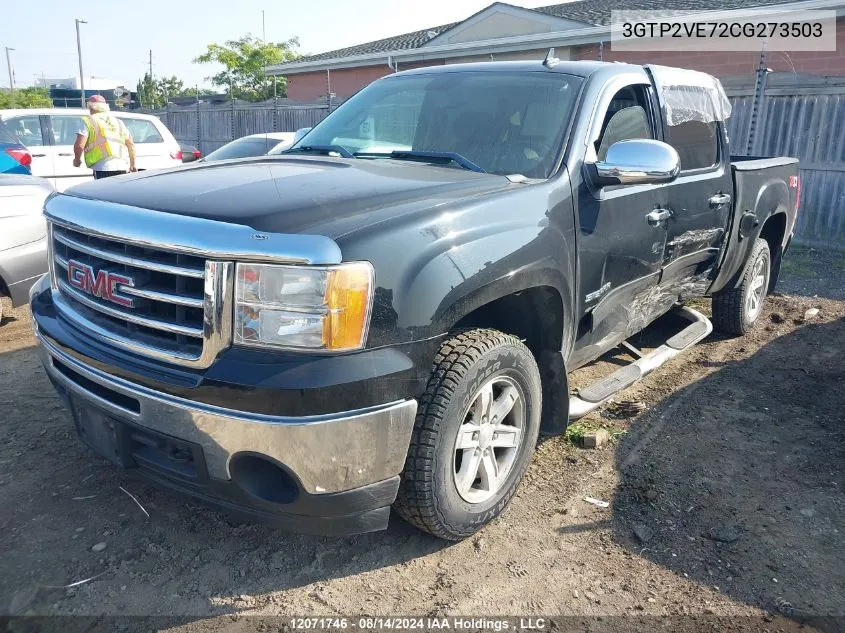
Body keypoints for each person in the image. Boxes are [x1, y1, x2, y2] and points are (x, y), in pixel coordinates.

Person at [73, 95, 137, 179]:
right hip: (121, 165)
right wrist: (133, 164)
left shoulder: (88, 120)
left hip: (102, 167)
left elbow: (79, 145)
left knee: (103, 192)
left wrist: (77, 160)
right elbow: (130, 144)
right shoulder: (118, 122)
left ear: (90, 107)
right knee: (118, 192)